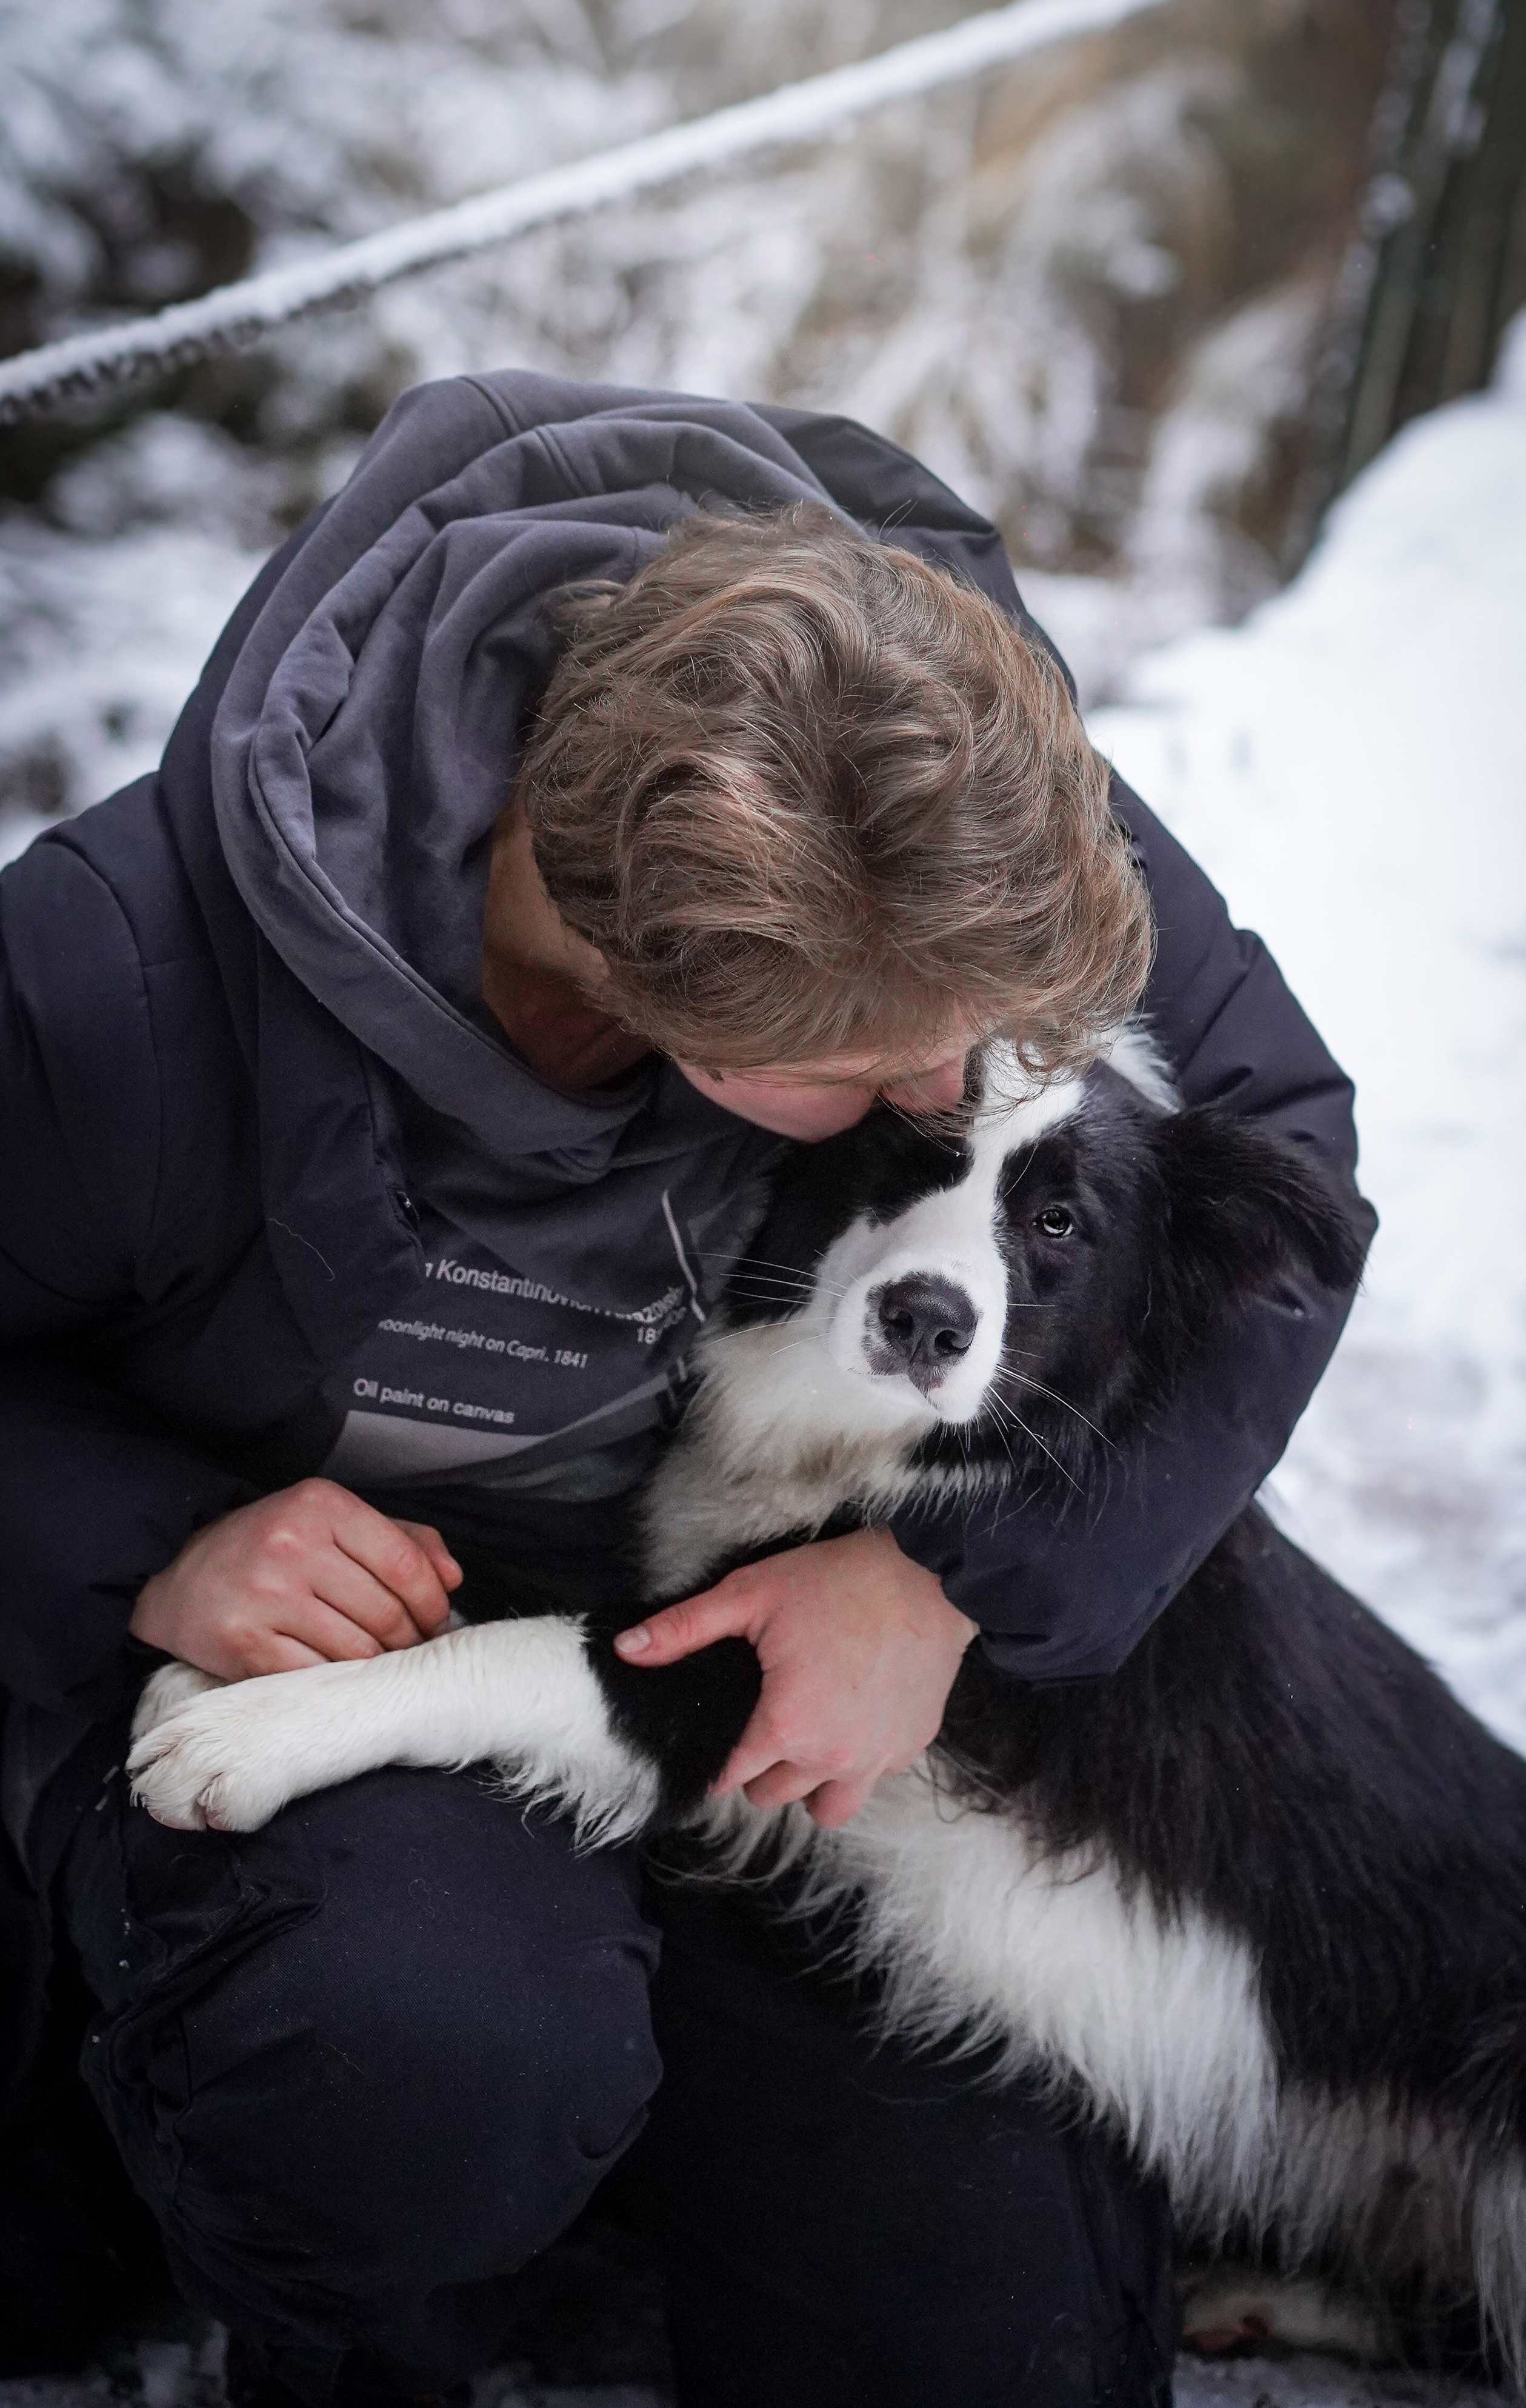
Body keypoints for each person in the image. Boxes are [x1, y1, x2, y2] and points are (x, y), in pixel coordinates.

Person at [0, 373, 1373, 2408]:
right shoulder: (110, 982)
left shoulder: (927, 773)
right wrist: (154, 1543)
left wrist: (949, 1590)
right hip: (368, 1650)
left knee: (993, 2347)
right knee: (418, 2062)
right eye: (881, 1082)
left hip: (761, 1664)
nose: (951, 1102)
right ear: (655, 1008)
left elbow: (1285, 1156)